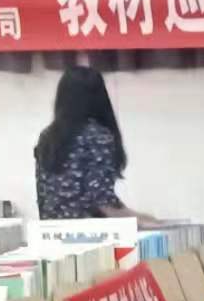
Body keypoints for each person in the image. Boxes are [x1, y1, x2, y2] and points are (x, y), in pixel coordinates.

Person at [34, 66, 154, 223]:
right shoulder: (98, 136)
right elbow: (103, 203)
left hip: (50, 232)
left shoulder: (47, 136)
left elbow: (43, 199)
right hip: (90, 233)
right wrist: (143, 221)